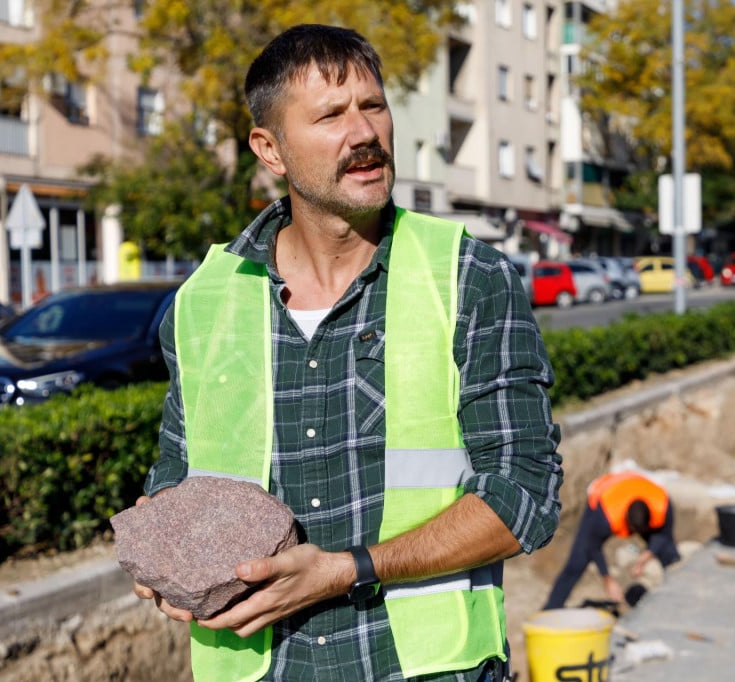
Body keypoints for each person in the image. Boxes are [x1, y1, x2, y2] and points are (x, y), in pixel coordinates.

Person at [133, 24, 563, 681]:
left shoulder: (467, 277)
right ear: (269, 148)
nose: (363, 133)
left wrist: (348, 570)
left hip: (426, 668)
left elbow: (524, 497)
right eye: (331, 115)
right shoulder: (205, 299)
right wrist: (162, 545)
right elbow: (177, 474)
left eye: (373, 105)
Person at [543, 471, 680, 611]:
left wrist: (645, 557)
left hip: (638, 487)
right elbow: (593, 546)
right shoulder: (604, 517)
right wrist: (607, 579)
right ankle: (551, 609)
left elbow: (664, 535)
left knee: (669, 552)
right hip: (603, 495)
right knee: (578, 559)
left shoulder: (662, 505)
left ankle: (676, 593)